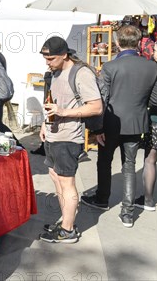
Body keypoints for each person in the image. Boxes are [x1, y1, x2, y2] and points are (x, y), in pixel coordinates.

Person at [81, 26, 157, 228]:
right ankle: (127, 213)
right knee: (129, 166)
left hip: (110, 123)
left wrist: (97, 129)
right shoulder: (151, 67)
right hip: (136, 123)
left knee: (104, 162)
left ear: (117, 43)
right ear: (138, 43)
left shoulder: (109, 67)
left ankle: (102, 198)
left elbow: (101, 99)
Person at [38, 36, 102, 243]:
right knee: (56, 177)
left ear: (64, 55)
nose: (47, 62)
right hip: (52, 135)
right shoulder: (54, 72)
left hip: (68, 138)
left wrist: (64, 111)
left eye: (51, 58)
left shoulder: (81, 73)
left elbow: (96, 106)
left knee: (67, 182)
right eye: (45, 58)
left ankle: (67, 230)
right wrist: (43, 125)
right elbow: (51, 102)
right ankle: (67, 220)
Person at [135, 38, 157, 211]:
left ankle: (148, 199)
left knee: (150, 160)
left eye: (155, 50)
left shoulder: (155, 70)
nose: (153, 53)